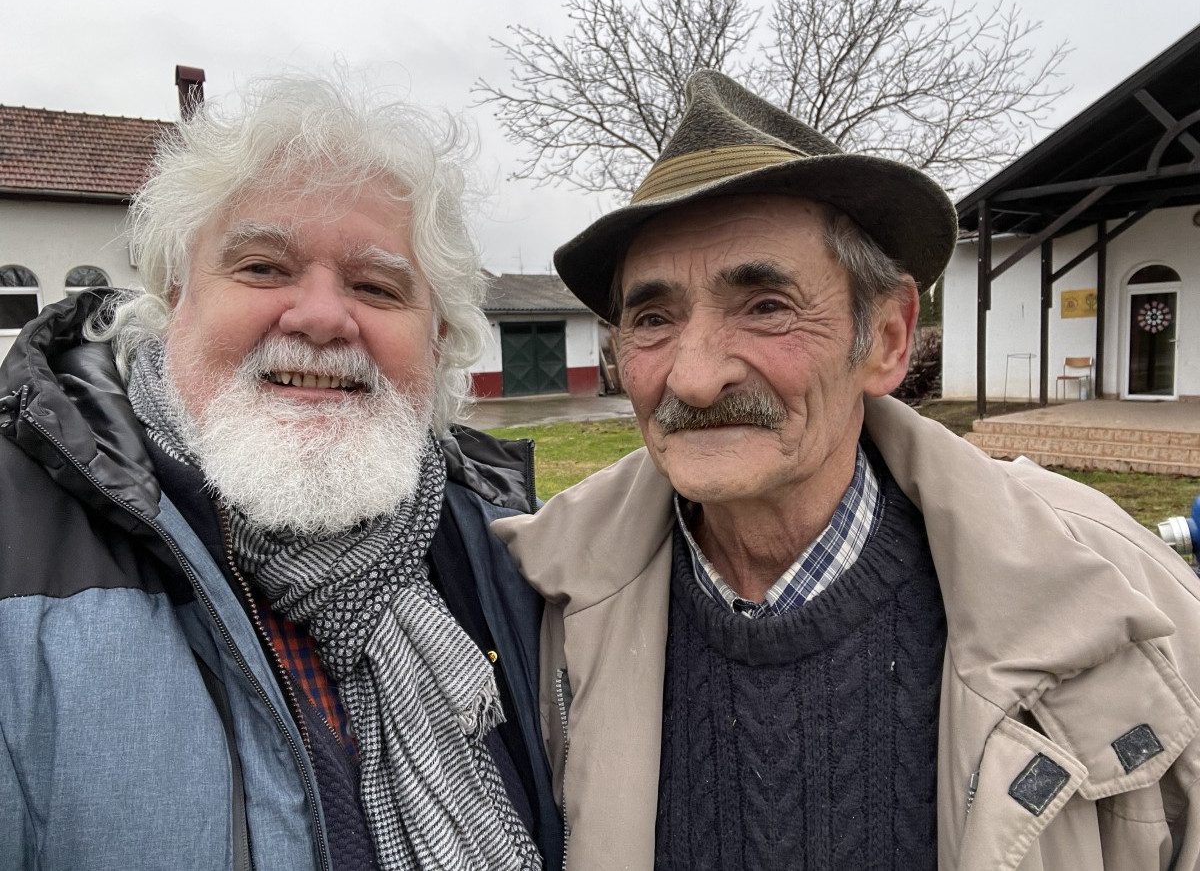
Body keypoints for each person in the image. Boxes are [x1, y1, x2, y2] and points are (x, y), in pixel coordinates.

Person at [493, 70, 1200, 870]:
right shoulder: (541, 600)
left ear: (888, 339)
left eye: (766, 307)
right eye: (653, 319)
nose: (693, 378)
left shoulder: (1112, 595)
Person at [0, 75, 560, 871]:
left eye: (376, 286)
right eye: (263, 268)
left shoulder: (507, 552)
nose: (324, 318)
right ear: (174, 299)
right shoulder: (15, 545)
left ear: (437, 338)